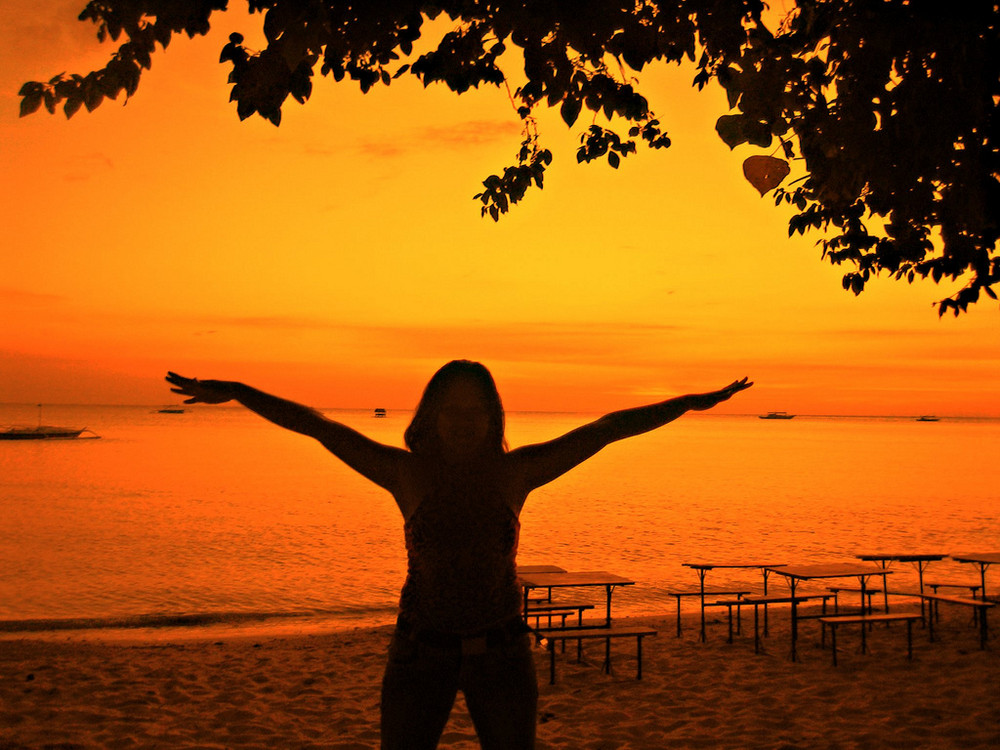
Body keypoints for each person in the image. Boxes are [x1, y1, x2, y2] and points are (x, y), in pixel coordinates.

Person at [165, 362, 751, 750]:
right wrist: (242, 392)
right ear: (432, 416)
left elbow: (608, 428)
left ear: (493, 418)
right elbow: (319, 428)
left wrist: (692, 402)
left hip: (503, 656)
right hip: (419, 655)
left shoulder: (514, 471)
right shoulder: (406, 472)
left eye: (477, 411)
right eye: (453, 410)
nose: (465, 422)